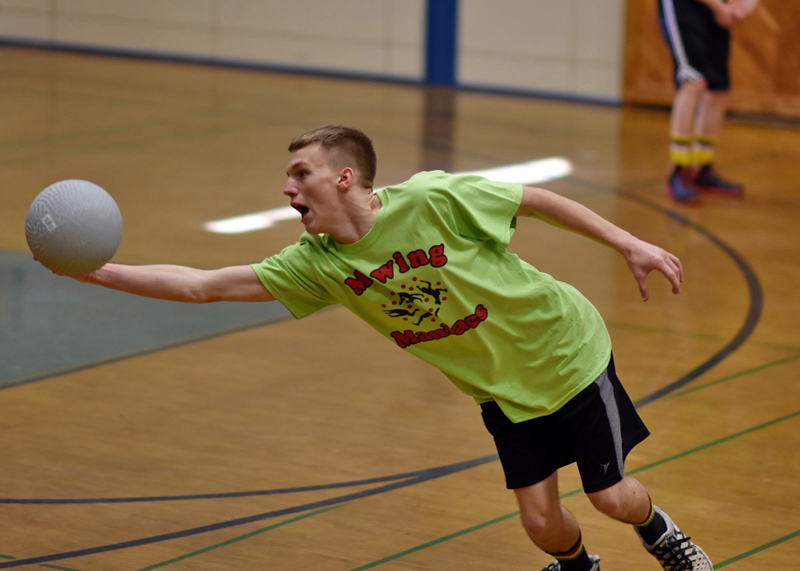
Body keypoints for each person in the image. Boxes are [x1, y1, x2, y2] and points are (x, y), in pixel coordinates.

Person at [63, 125, 712, 570]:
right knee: (543, 527)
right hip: (502, 392)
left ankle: (662, 534)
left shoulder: (431, 199)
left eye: (301, 173)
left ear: (345, 177)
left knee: (609, 497)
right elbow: (205, 285)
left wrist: (629, 241)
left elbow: (533, 199)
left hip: (564, 354)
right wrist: (99, 272)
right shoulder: (317, 264)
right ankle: (578, 567)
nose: (288, 188)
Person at [658, 0, 759, 203]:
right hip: (684, 6)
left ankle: (702, 168)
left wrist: (746, 5)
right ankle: (679, 169)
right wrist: (719, 7)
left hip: (717, 7)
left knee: (718, 89)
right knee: (693, 81)